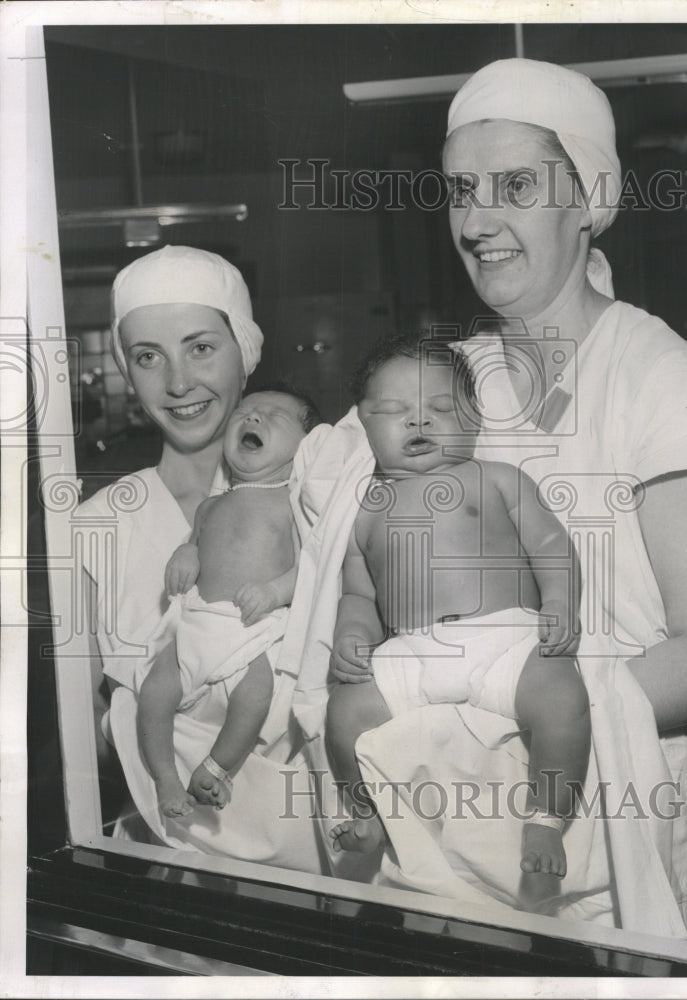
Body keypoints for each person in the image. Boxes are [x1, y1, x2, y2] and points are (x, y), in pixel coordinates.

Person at [437, 58, 687, 941]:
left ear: (587, 197)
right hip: (464, 807)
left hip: (628, 797)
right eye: (460, 190)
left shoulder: (659, 379)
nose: (477, 221)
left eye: (515, 186)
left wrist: (528, 713)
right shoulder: (454, 383)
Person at [75, 246, 320, 870]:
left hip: (321, 855)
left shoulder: (322, 499)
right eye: (148, 357)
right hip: (164, 865)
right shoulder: (97, 525)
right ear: (127, 373)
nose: (178, 383)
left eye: (201, 347)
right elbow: (85, 739)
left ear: (247, 349)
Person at [325, 334, 589, 879]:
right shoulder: (366, 511)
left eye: (441, 408)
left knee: (563, 699)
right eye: (395, 411)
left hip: (508, 639)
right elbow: (360, 593)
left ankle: (547, 815)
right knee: (344, 714)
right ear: (364, 426)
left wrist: (561, 601)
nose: (419, 422)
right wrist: (353, 636)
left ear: (473, 419)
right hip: (411, 652)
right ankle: (365, 811)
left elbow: (550, 545)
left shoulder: (495, 478)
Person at [137, 388, 317, 818]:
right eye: (245, 412)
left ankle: (216, 768)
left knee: (255, 695)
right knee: (153, 692)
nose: (253, 418)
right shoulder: (210, 505)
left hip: (251, 630)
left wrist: (276, 591)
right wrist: (186, 554)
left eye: (274, 415)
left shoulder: (293, 506)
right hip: (198, 623)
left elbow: (311, 569)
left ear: (305, 446)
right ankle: (165, 778)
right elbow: (195, 544)